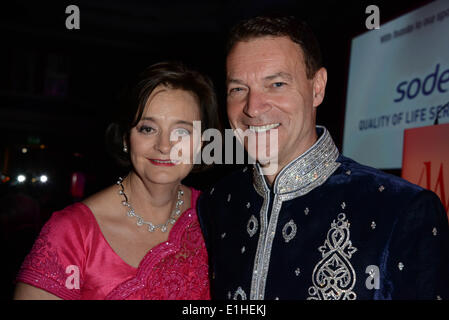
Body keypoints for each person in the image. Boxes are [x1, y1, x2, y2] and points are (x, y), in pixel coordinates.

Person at [197, 15, 449, 300]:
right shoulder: (218, 202)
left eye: (276, 84)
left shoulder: (403, 210)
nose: (253, 108)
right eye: (238, 89)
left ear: (317, 87)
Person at [14, 61, 219, 300]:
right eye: (147, 129)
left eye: (182, 132)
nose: (164, 146)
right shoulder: (72, 232)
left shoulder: (216, 216)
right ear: (125, 137)